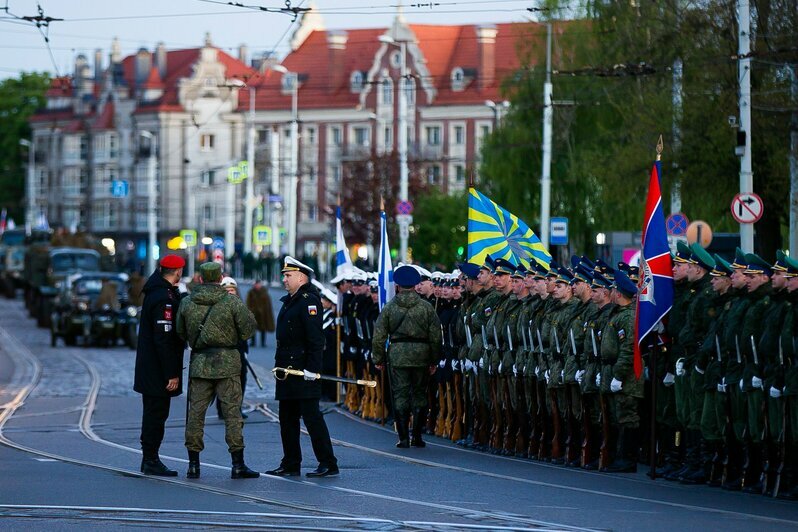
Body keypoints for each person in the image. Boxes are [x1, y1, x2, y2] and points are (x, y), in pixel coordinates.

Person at [176, 262, 259, 480]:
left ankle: (193, 464)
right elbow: (249, 328)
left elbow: (180, 331)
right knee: (232, 414)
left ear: (201, 279)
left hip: (200, 362)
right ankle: (237, 464)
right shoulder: (231, 301)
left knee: (195, 415)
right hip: (228, 363)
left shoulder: (187, 302)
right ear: (220, 277)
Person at [265, 256, 339, 478]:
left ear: (301, 277)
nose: (284, 280)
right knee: (287, 419)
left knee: (312, 418)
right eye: (284, 276)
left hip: (303, 370)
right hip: (287, 371)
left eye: (288, 276)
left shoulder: (308, 300)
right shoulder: (291, 300)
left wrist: (312, 369)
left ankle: (328, 462)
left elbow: (316, 339)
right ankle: (291, 462)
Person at [372, 265, 442, 448]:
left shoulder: (389, 308)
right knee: (420, 394)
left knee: (400, 394)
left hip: (397, 355)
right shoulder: (426, 308)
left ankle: (403, 437)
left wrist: (378, 359)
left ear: (397, 285)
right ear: (416, 284)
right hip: (422, 355)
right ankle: (417, 436)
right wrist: (434, 360)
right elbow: (436, 337)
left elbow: (379, 336)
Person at [133, 254, 186, 477]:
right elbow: (163, 339)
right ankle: (151, 459)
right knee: (156, 415)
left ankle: (150, 458)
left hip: (150, 367)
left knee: (154, 414)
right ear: (177, 272)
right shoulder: (163, 298)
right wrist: (171, 374)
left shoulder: (156, 292)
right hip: (157, 370)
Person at [215, 276, 251, 420]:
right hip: (222, 351)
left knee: (241, 380)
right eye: (227, 290)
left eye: (232, 290)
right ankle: (222, 409)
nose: (230, 292)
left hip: (239, 350)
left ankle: (237, 408)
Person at [246, 279, 275, 347]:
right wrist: (251, 310)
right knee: (253, 328)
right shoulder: (251, 292)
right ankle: (253, 342)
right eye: (256, 284)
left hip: (263, 314)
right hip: (253, 313)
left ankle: (263, 343)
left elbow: (267, 304)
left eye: (258, 284)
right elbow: (248, 302)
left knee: (263, 329)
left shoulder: (264, 292)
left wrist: (264, 311)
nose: (257, 286)